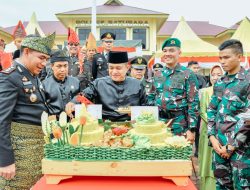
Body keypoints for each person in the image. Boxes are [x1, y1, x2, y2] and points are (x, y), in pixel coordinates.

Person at [0, 33, 55, 189]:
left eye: (46, 59)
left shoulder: (33, 76)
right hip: (19, 154)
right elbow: (1, 120)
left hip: (36, 149)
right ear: (26, 51)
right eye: (41, 57)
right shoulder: (9, 77)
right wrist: (5, 161)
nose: (44, 63)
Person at [207, 39, 250, 190]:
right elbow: (211, 110)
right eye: (220, 58)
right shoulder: (220, 82)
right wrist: (212, 138)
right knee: (222, 186)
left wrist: (231, 146)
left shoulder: (247, 80)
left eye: (226, 57)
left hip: (241, 150)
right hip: (219, 147)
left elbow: (248, 119)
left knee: (242, 186)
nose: (222, 62)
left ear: (239, 57)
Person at [66, 51, 148, 121]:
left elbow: (145, 107)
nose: (114, 72)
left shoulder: (137, 84)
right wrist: (73, 102)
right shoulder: (99, 83)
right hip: (104, 124)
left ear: (127, 68)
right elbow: (83, 96)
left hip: (131, 125)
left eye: (118, 68)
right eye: (111, 68)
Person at [149, 38, 199, 142]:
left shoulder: (188, 74)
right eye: (165, 51)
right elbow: (151, 98)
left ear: (179, 52)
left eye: (171, 50)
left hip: (180, 124)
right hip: (159, 124)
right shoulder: (158, 74)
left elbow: (193, 103)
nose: (167, 54)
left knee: (179, 156)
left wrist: (191, 129)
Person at [198, 64, 224, 190]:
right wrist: (214, 125)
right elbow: (203, 112)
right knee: (207, 160)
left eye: (219, 74)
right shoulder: (204, 92)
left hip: (224, 131)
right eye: (213, 74)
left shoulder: (228, 91)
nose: (215, 77)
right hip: (208, 130)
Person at [43, 50, 80, 117]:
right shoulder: (45, 85)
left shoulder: (76, 82)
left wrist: (75, 101)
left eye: (65, 66)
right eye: (59, 66)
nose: (63, 69)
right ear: (52, 66)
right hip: (53, 122)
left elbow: (81, 97)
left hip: (73, 121)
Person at [187, 60, 207, 157]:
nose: (196, 70)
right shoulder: (184, 77)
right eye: (194, 68)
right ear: (188, 68)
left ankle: (197, 151)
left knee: (198, 130)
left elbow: (203, 93)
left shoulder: (201, 79)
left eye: (197, 68)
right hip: (185, 110)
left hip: (197, 109)